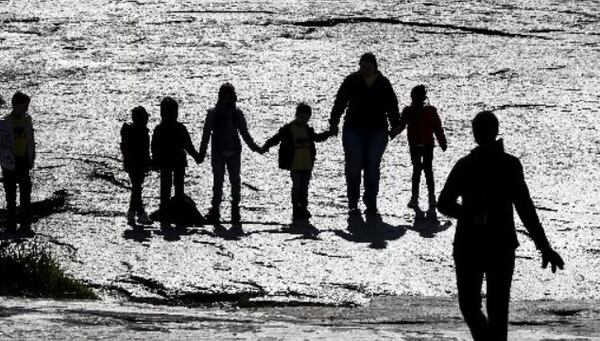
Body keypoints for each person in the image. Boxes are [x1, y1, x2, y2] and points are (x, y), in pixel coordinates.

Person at [437, 111, 564, 341]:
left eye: (481, 131)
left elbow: (444, 203)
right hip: (493, 245)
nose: (481, 135)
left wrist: (544, 246)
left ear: (484, 134)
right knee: (491, 309)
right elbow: (526, 209)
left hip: (478, 245)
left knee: (476, 307)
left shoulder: (475, 165)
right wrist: (544, 246)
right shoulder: (502, 165)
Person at [328, 52, 400, 218]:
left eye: (368, 68)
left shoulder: (383, 83)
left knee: (372, 167)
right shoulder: (352, 80)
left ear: (375, 67)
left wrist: (395, 125)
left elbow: (392, 105)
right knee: (353, 167)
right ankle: (353, 202)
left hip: (377, 130)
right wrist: (334, 122)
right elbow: (340, 101)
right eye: (362, 67)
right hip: (353, 128)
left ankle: (371, 203)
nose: (365, 70)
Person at [198, 83, 261, 223]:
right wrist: (201, 153)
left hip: (232, 151)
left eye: (229, 96)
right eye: (225, 96)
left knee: (234, 181)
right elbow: (206, 134)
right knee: (219, 181)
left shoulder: (235, 113)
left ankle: (234, 209)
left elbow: (245, 133)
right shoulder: (214, 113)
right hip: (219, 151)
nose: (227, 99)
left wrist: (255, 148)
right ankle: (216, 209)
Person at [260, 103, 332, 223]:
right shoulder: (288, 129)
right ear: (297, 115)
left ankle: (303, 208)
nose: (304, 120)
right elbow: (276, 138)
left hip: (307, 164)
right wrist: (266, 145)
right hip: (295, 164)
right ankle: (295, 208)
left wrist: (328, 133)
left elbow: (318, 138)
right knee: (297, 187)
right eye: (302, 117)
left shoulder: (308, 130)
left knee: (304, 188)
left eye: (307, 118)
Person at [391, 85, 447, 213]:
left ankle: (428, 197)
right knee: (420, 170)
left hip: (426, 144)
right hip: (416, 145)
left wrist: (442, 142)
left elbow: (437, 128)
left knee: (425, 170)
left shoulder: (429, 111)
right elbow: (402, 125)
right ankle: (419, 197)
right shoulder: (409, 111)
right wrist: (392, 134)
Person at [151, 97, 201, 227]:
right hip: (172, 162)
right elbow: (188, 146)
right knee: (171, 188)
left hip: (171, 162)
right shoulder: (175, 128)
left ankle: (167, 213)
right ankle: (172, 213)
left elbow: (155, 147)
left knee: (169, 188)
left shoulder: (160, 129)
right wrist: (196, 156)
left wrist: (155, 161)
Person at [1, 91, 35, 232]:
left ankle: (25, 225)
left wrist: (31, 157)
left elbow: (31, 141)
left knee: (26, 194)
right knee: (10, 196)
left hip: (23, 160)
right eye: (24, 105)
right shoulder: (4, 122)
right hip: (9, 162)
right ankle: (11, 225)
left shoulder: (27, 120)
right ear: (16, 105)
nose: (26, 108)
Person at [120, 106, 152, 226]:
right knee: (137, 188)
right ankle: (134, 212)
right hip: (138, 164)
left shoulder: (128, 130)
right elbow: (144, 150)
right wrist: (148, 162)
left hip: (131, 164)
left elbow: (125, 148)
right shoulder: (141, 131)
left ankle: (138, 212)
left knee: (136, 188)